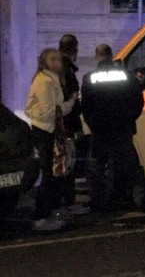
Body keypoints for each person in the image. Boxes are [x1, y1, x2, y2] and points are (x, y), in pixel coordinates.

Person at [82, 44, 145, 211]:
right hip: (122, 128)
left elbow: (86, 107)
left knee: (96, 166)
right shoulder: (127, 75)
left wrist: (93, 124)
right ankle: (137, 199)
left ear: (97, 57)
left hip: (100, 129)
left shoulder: (89, 78)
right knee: (130, 164)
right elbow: (138, 101)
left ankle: (99, 202)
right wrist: (129, 119)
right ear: (111, 55)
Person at [25, 48, 76, 231]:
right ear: (44, 62)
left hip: (49, 129)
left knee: (54, 172)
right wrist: (70, 103)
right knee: (49, 173)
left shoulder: (51, 79)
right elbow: (50, 112)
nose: (56, 62)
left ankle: (49, 211)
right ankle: (41, 215)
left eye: (58, 59)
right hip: (46, 131)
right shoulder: (45, 81)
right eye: (52, 59)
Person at [57, 34, 89, 216]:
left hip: (63, 124)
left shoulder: (59, 67)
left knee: (66, 164)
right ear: (74, 49)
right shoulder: (65, 69)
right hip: (66, 125)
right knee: (68, 164)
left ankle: (67, 202)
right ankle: (67, 203)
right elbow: (70, 98)